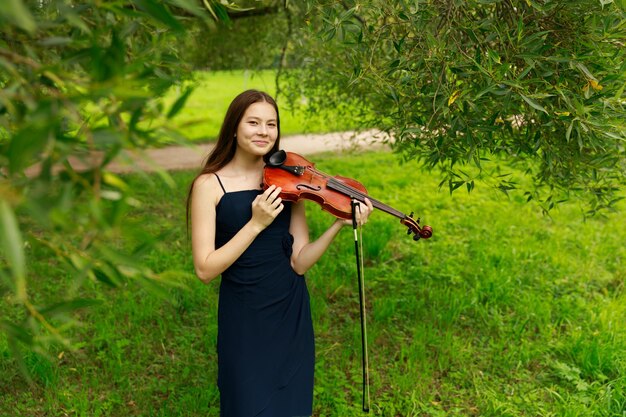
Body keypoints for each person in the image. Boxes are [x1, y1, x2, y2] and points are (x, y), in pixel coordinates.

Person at [186, 89, 372, 417]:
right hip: (244, 315)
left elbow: (299, 261)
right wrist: (255, 224)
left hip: (290, 310)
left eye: (271, 124)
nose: (264, 131)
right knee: (246, 404)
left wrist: (340, 224)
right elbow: (205, 269)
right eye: (253, 122)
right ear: (233, 127)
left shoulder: (285, 180)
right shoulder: (210, 186)